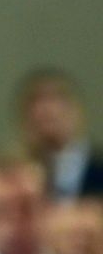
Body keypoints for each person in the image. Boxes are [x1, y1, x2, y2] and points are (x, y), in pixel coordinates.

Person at [16, 68, 103, 200]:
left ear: (77, 110)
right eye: (36, 101)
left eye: (56, 99)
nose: (46, 109)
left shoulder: (98, 167)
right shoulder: (12, 176)